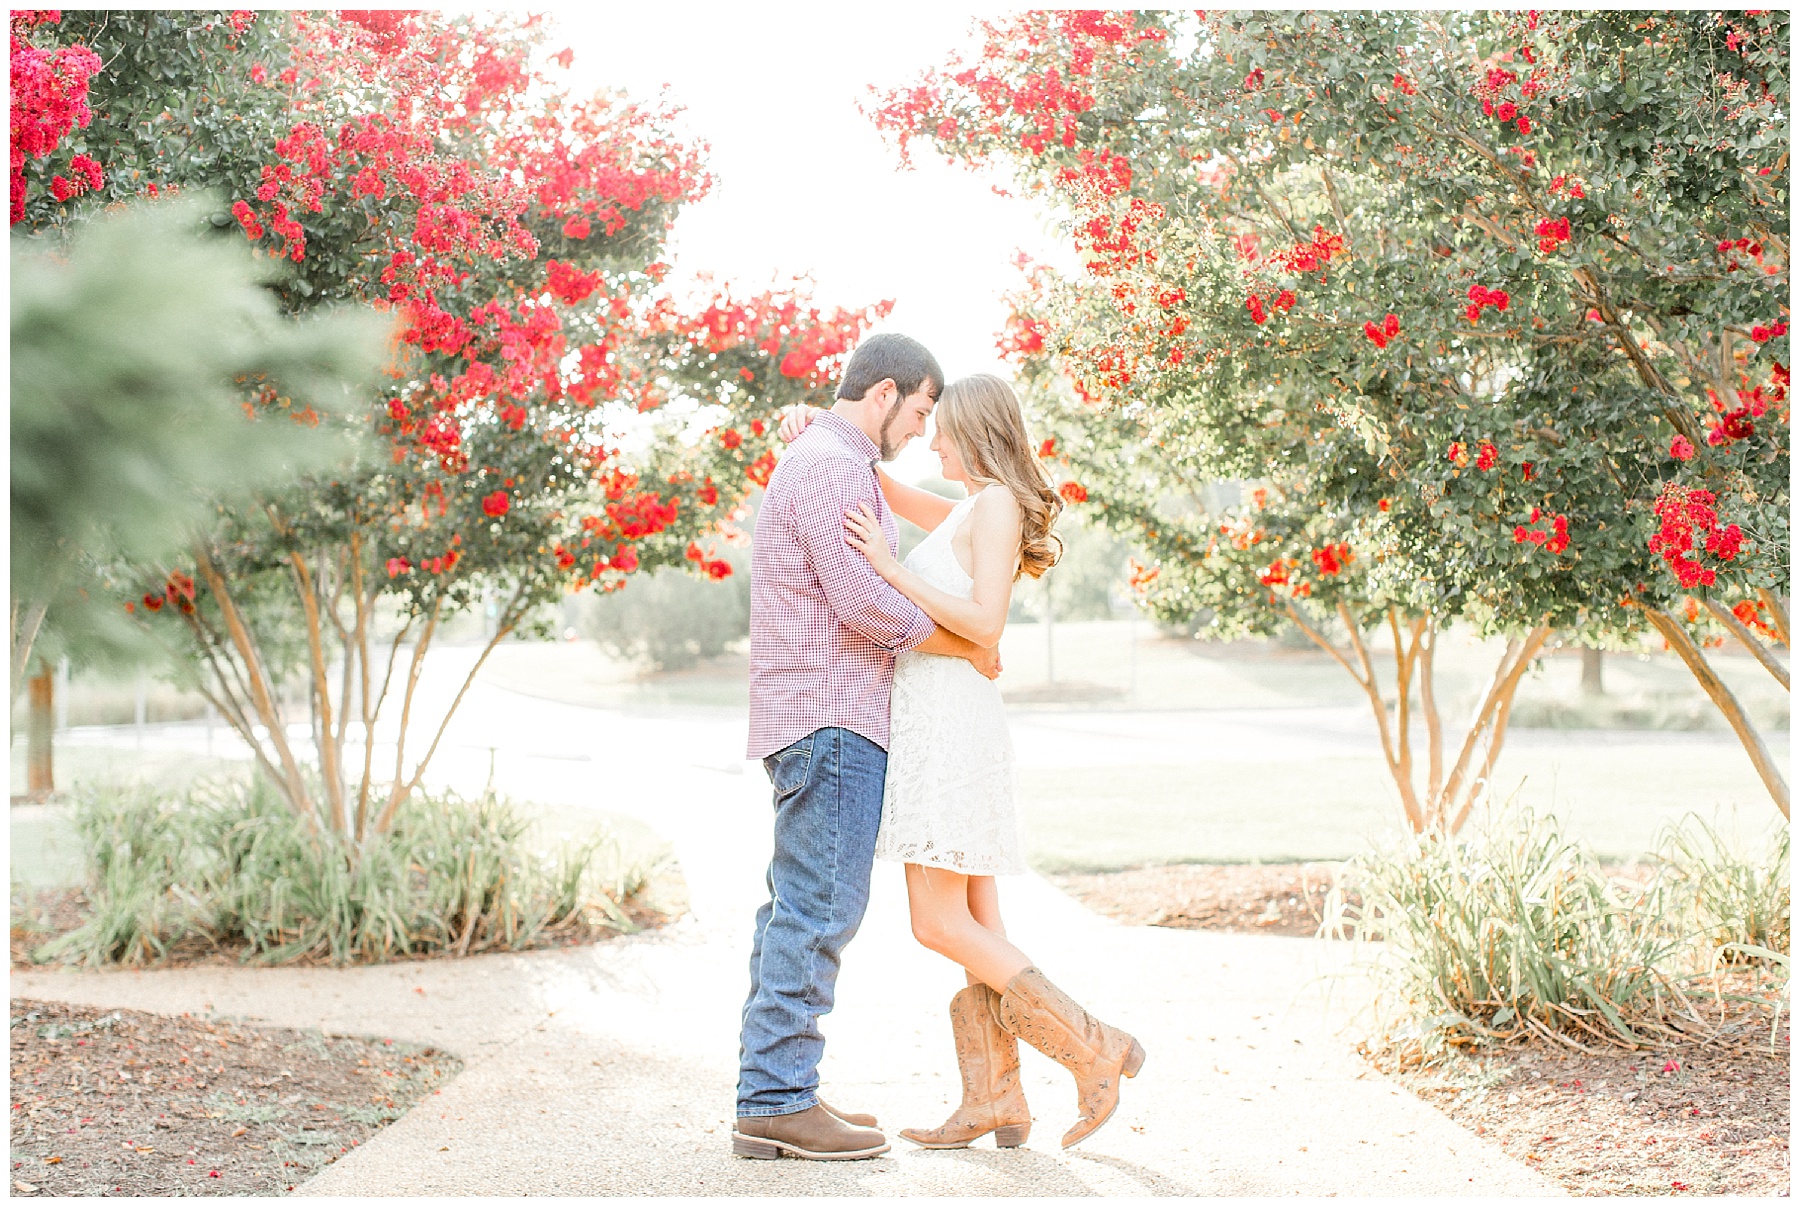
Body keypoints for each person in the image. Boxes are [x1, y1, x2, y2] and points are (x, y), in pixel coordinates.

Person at [785, 373, 1145, 1151]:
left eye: (943, 428)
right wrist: (818, 430)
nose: (933, 440)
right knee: (978, 921)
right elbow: (877, 479)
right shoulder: (974, 507)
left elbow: (984, 625)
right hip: (944, 723)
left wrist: (886, 566)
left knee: (937, 920)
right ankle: (996, 1098)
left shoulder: (997, 507)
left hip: (949, 729)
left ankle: (1096, 1047)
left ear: (977, 432)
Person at [732, 333, 1003, 1162]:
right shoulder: (829, 465)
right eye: (921, 409)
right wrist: (965, 647)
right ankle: (775, 1100)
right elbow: (861, 599)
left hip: (826, 716)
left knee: (800, 906)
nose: (925, 428)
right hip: (833, 716)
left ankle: (777, 1088)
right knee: (817, 909)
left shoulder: (834, 459)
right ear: (885, 393)